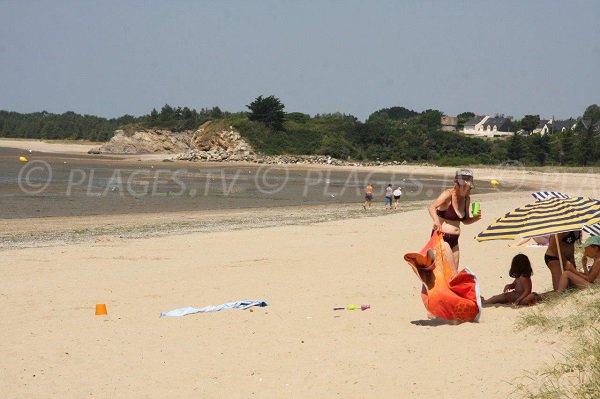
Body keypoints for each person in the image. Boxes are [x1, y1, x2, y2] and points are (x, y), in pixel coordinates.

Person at [428, 169, 481, 268]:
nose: (468, 190)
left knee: (453, 274)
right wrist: (436, 221)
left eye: (469, 188)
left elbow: (465, 221)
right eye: (465, 187)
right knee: (446, 271)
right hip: (441, 237)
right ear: (457, 184)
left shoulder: (466, 199)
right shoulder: (448, 194)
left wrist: (475, 219)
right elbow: (431, 207)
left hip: (455, 240)